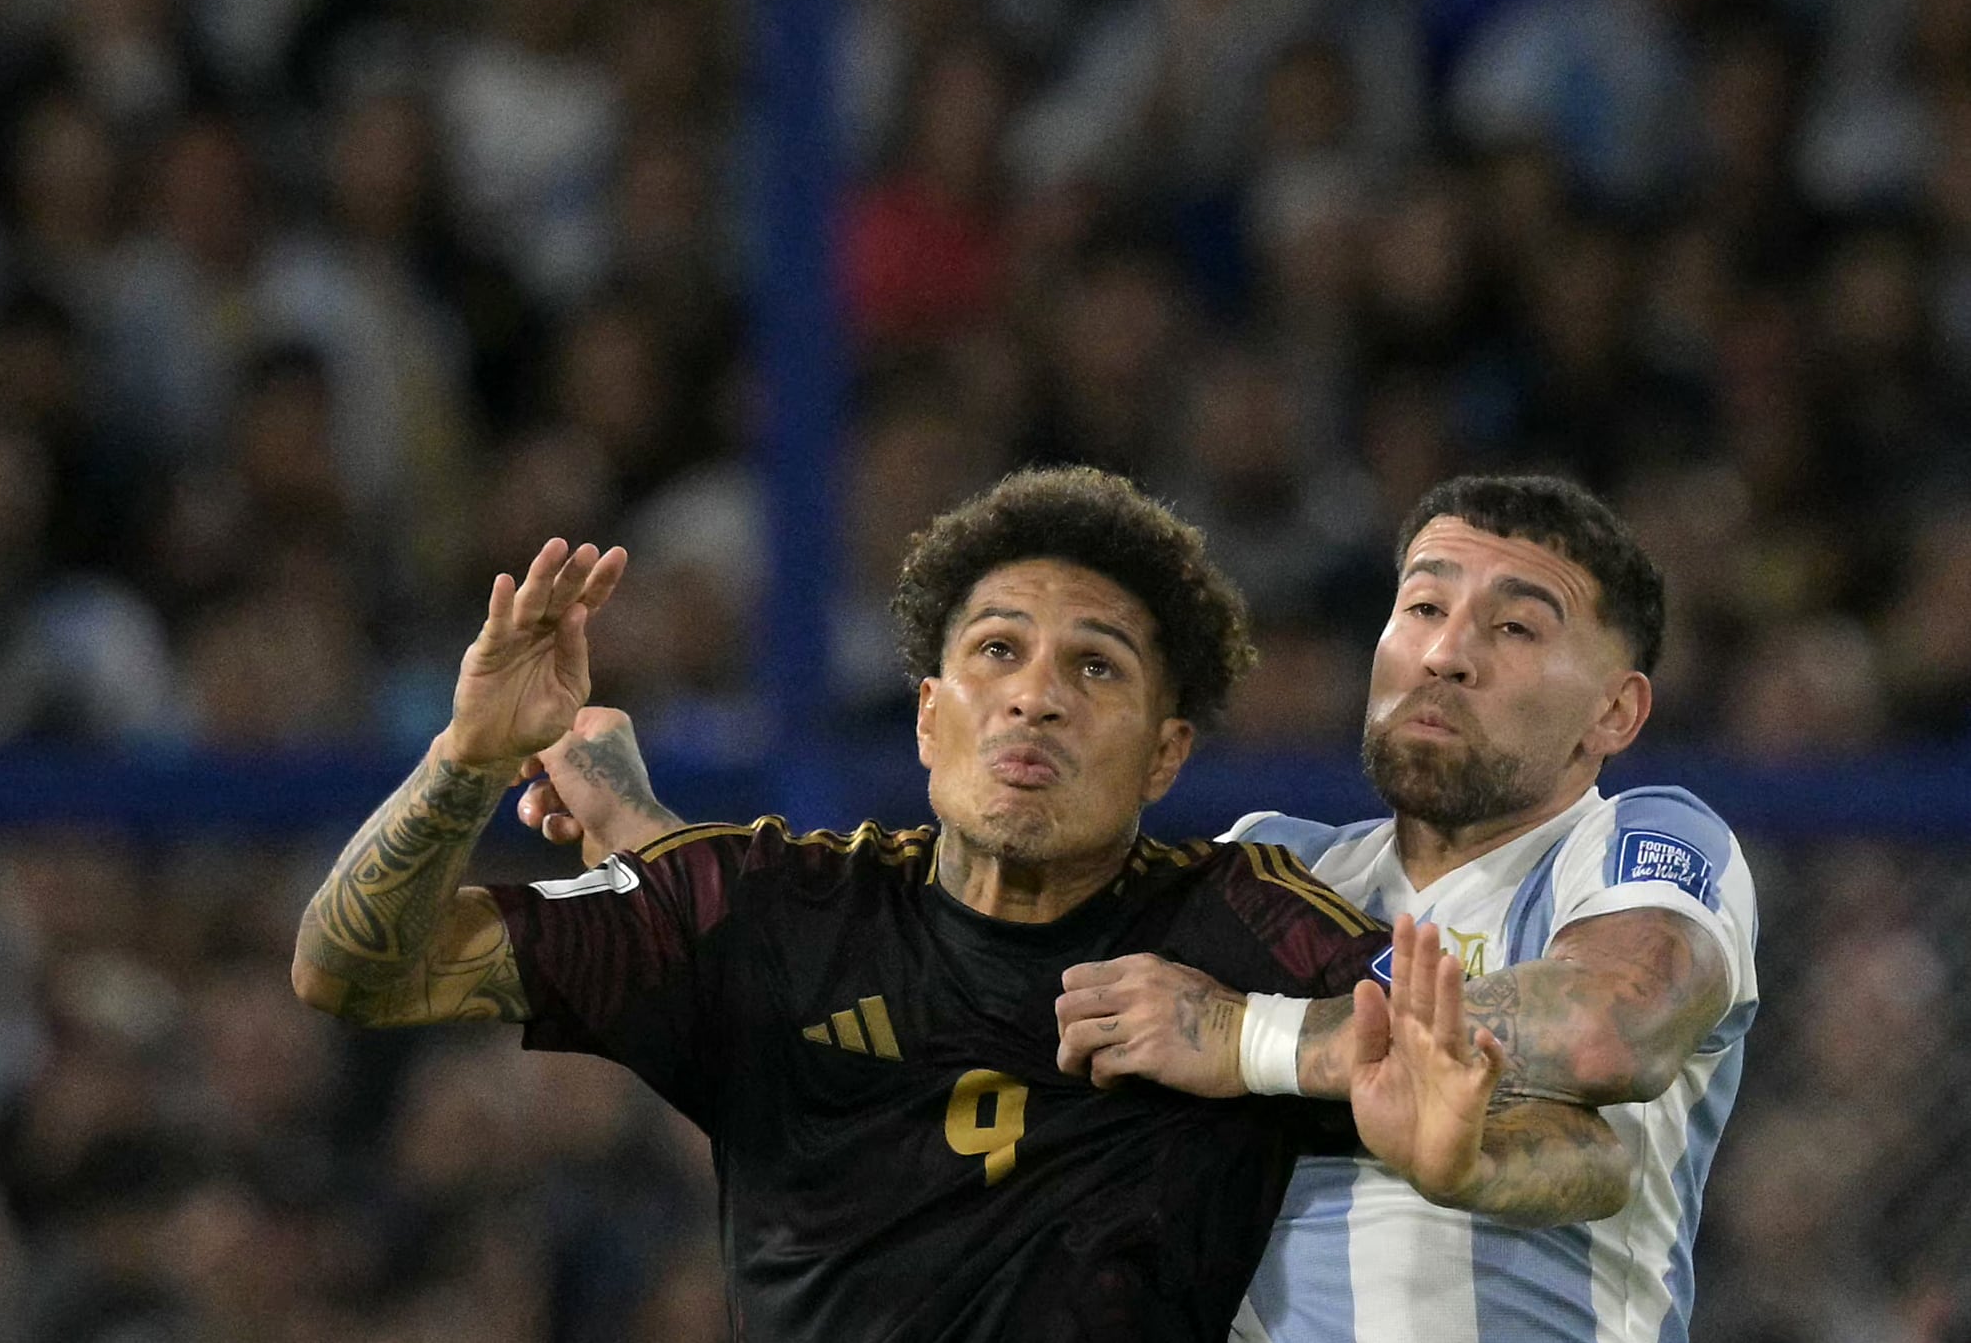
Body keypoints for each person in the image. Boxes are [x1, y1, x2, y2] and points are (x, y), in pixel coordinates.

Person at [293, 467, 1636, 1342]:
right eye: (995, 652)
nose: (1035, 694)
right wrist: (464, 757)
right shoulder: (763, 916)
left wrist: (1458, 1151)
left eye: (1094, 667)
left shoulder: (1239, 931)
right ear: (932, 718)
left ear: (1166, 754)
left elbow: (1583, 1150)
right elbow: (358, 970)